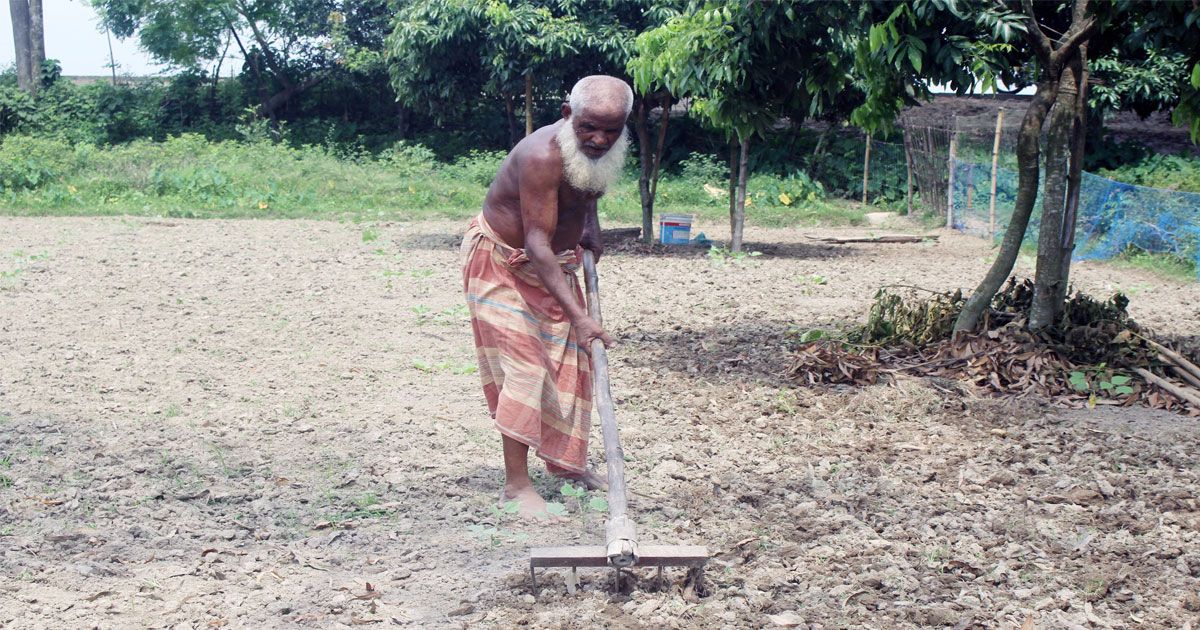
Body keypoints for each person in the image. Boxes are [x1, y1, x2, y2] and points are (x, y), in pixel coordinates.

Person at [460, 75, 631, 519]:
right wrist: (581, 317)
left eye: (612, 130)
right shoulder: (541, 155)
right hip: (503, 261)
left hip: (554, 264)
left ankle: (566, 467)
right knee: (527, 368)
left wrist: (590, 231)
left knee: (568, 367)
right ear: (566, 113)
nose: (599, 139)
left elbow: (586, 193)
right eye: (590, 127)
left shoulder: (601, 151)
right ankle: (516, 485)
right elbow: (536, 242)